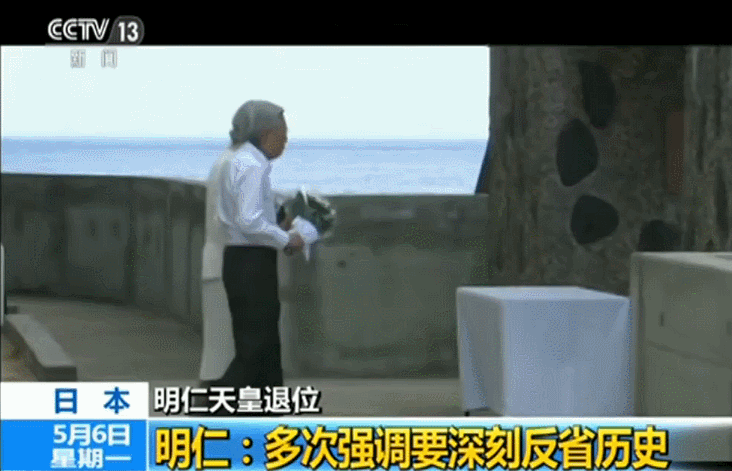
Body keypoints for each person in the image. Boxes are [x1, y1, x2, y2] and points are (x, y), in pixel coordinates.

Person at [197, 100, 304, 414]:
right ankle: (213, 409)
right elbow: (249, 221)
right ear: (266, 133)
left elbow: (252, 214)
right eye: (283, 134)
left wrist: (279, 220)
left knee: (264, 346)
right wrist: (287, 239)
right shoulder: (250, 164)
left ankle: (269, 411)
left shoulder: (241, 161)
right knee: (255, 347)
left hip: (244, 259)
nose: (286, 141)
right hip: (249, 261)